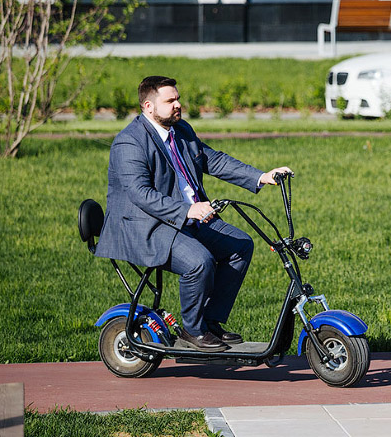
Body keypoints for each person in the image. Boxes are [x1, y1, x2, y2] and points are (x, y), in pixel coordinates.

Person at [95, 75, 292, 351]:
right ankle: (193, 331)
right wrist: (188, 209)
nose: (178, 104)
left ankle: (210, 322)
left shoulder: (181, 130)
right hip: (146, 226)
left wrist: (261, 176)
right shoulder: (129, 142)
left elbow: (213, 160)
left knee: (241, 246)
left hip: (185, 219)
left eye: (178, 98)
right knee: (199, 262)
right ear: (149, 107)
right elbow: (140, 194)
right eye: (170, 100)